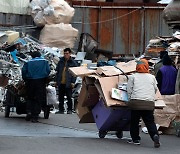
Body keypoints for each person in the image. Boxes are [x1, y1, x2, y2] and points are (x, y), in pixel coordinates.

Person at [127, 59, 160, 148]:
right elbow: (155, 89)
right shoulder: (152, 77)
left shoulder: (133, 77)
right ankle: (154, 136)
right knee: (149, 122)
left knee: (134, 121)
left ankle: (136, 139)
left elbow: (129, 90)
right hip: (149, 103)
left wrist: (130, 100)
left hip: (136, 103)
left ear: (137, 66)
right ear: (147, 67)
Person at [22, 51, 50, 122]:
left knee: (30, 97)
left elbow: (24, 71)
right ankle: (35, 116)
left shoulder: (28, 62)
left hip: (30, 82)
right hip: (41, 82)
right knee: (38, 98)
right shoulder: (45, 62)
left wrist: (25, 79)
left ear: (32, 56)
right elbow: (48, 70)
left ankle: (29, 111)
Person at [55, 48, 77, 114]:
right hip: (61, 82)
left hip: (68, 82)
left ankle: (69, 109)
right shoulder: (61, 61)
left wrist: (73, 82)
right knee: (60, 97)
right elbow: (57, 71)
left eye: (67, 53)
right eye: (64, 53)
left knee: (69, 97)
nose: (65, 55)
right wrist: (56, 81)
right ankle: (61, 109)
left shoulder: (73, 63)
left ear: (70, 54)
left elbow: (74, 74)